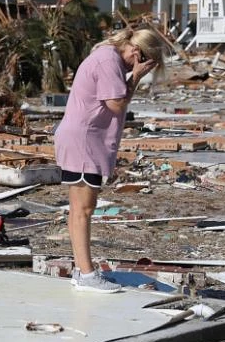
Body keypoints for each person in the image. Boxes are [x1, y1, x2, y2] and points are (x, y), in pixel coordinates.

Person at [54, 28, 165, 293]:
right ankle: (87, 275)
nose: (136, 67)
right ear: (137, 53)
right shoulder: (109, 60)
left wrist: (133, 75)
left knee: (80, 208)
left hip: (84, 139)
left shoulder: (108, 58)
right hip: (83, 140)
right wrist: (135, 76)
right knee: (83, 208)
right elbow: (116, 104)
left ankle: (82, 271)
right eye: (143, 63)